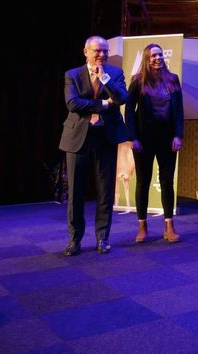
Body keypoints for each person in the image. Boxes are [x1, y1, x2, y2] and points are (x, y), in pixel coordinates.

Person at [59, 36, 129, 256]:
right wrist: (103, 104)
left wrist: (105, 80)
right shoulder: (72, 75)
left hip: (105, 138)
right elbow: (73, 103)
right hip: (78, 137)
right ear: (86, 52)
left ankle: (102, 238)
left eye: (105, 51)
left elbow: (122, 98)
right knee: (76, 192)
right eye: (97, 51)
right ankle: (74, 239)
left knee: (105, 191)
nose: (102, 55)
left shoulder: (114, 73)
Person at [125, 43, 185, 244]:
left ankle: (169, 226)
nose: (157, 58)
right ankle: (142, 227)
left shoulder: (173, 80)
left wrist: (178, 135)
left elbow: (179, 111)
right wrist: (133, 137)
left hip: (167, 138)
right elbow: (129, 112)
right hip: (144, 139)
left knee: (167, 180)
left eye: (159, 54)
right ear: (147, 59)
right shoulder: (137, 81)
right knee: (143, 181)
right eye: (153, 56)